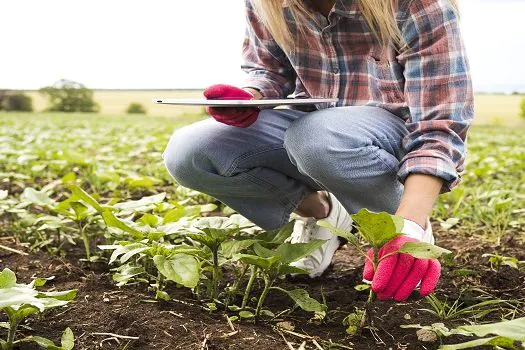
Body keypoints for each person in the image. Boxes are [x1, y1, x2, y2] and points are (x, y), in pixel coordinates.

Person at [163, 0, 473, 302]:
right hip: (311, 125)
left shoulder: (417, 5)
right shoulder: (268, 4)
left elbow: (440, 126)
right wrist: (250, 96)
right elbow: (269, 70)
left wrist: (409, 223)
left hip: (387, 136)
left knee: (315, 137)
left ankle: (400, 226)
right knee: (192, 152)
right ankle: (322, 215)